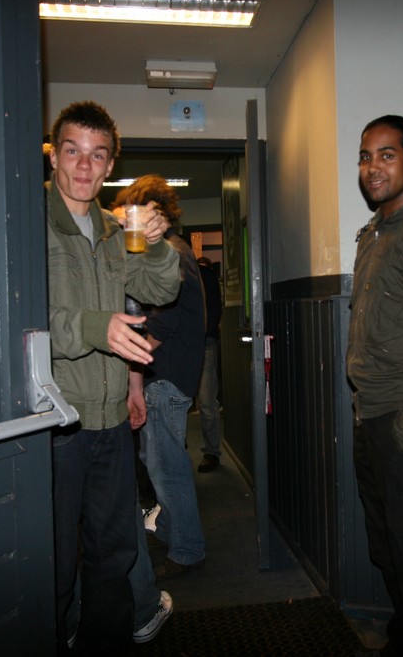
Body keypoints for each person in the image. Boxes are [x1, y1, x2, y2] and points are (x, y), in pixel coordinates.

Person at [45, 101, 181, 654]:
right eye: (73, 151)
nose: (84, 166)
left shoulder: (112, 228)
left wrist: (156, 242)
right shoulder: (29, 221)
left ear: (109, 165)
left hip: (109, 422)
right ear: (54, 156)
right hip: (55, 421)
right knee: (54, 560)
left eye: (97, 155)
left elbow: (160, 289)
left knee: (114, 551)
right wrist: (94, 327)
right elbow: (20, 322)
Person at [346, 115, 403, 655]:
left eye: (386, 155)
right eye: (365, 156)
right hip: (370, 414)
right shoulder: (373, 233)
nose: (372, 167)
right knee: (385, 543)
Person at [113, 175, 207, 581]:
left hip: (165, 376)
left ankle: (187, 550)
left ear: (160, 214)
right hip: (167, 375)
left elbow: (163, 324)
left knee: (167, 468)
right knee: (160, 463)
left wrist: (131, 362)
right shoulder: (177, 250)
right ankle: (171, 529)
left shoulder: (172, 253)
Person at [195, 256, 224, 473]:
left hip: (204, 343)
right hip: (192, 344)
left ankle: (212, 452)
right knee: (201, 402)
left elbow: (214, 311)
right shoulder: (203, 275)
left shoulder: (205, 275)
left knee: (206, 401)